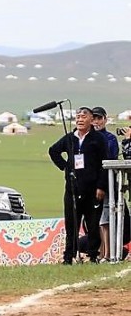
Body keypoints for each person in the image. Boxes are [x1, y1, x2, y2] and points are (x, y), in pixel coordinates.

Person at [48, 106, 108, 264]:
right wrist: (65, 167)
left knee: (93, 225)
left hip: (93, 190)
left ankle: (93, 255)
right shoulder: (70, 138)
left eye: (84, 117)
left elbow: (105, 163)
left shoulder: (98, 139)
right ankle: (69, 256)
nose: (80, 119)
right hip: (73, 189)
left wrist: (101, 186)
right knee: (71, 224)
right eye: (78, 117)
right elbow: (53, 151)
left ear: (91, 120)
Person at [91, 106, 119, 262]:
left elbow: (111, 159)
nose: (96, 121)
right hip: (90, 184)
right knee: (95, 220)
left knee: (106, 219)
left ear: (105, 119)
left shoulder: (110, 138)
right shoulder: (87, 137)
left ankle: (107, 254)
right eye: (93, 118)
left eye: (99, 118)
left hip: (106, 184)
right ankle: (98, 253)